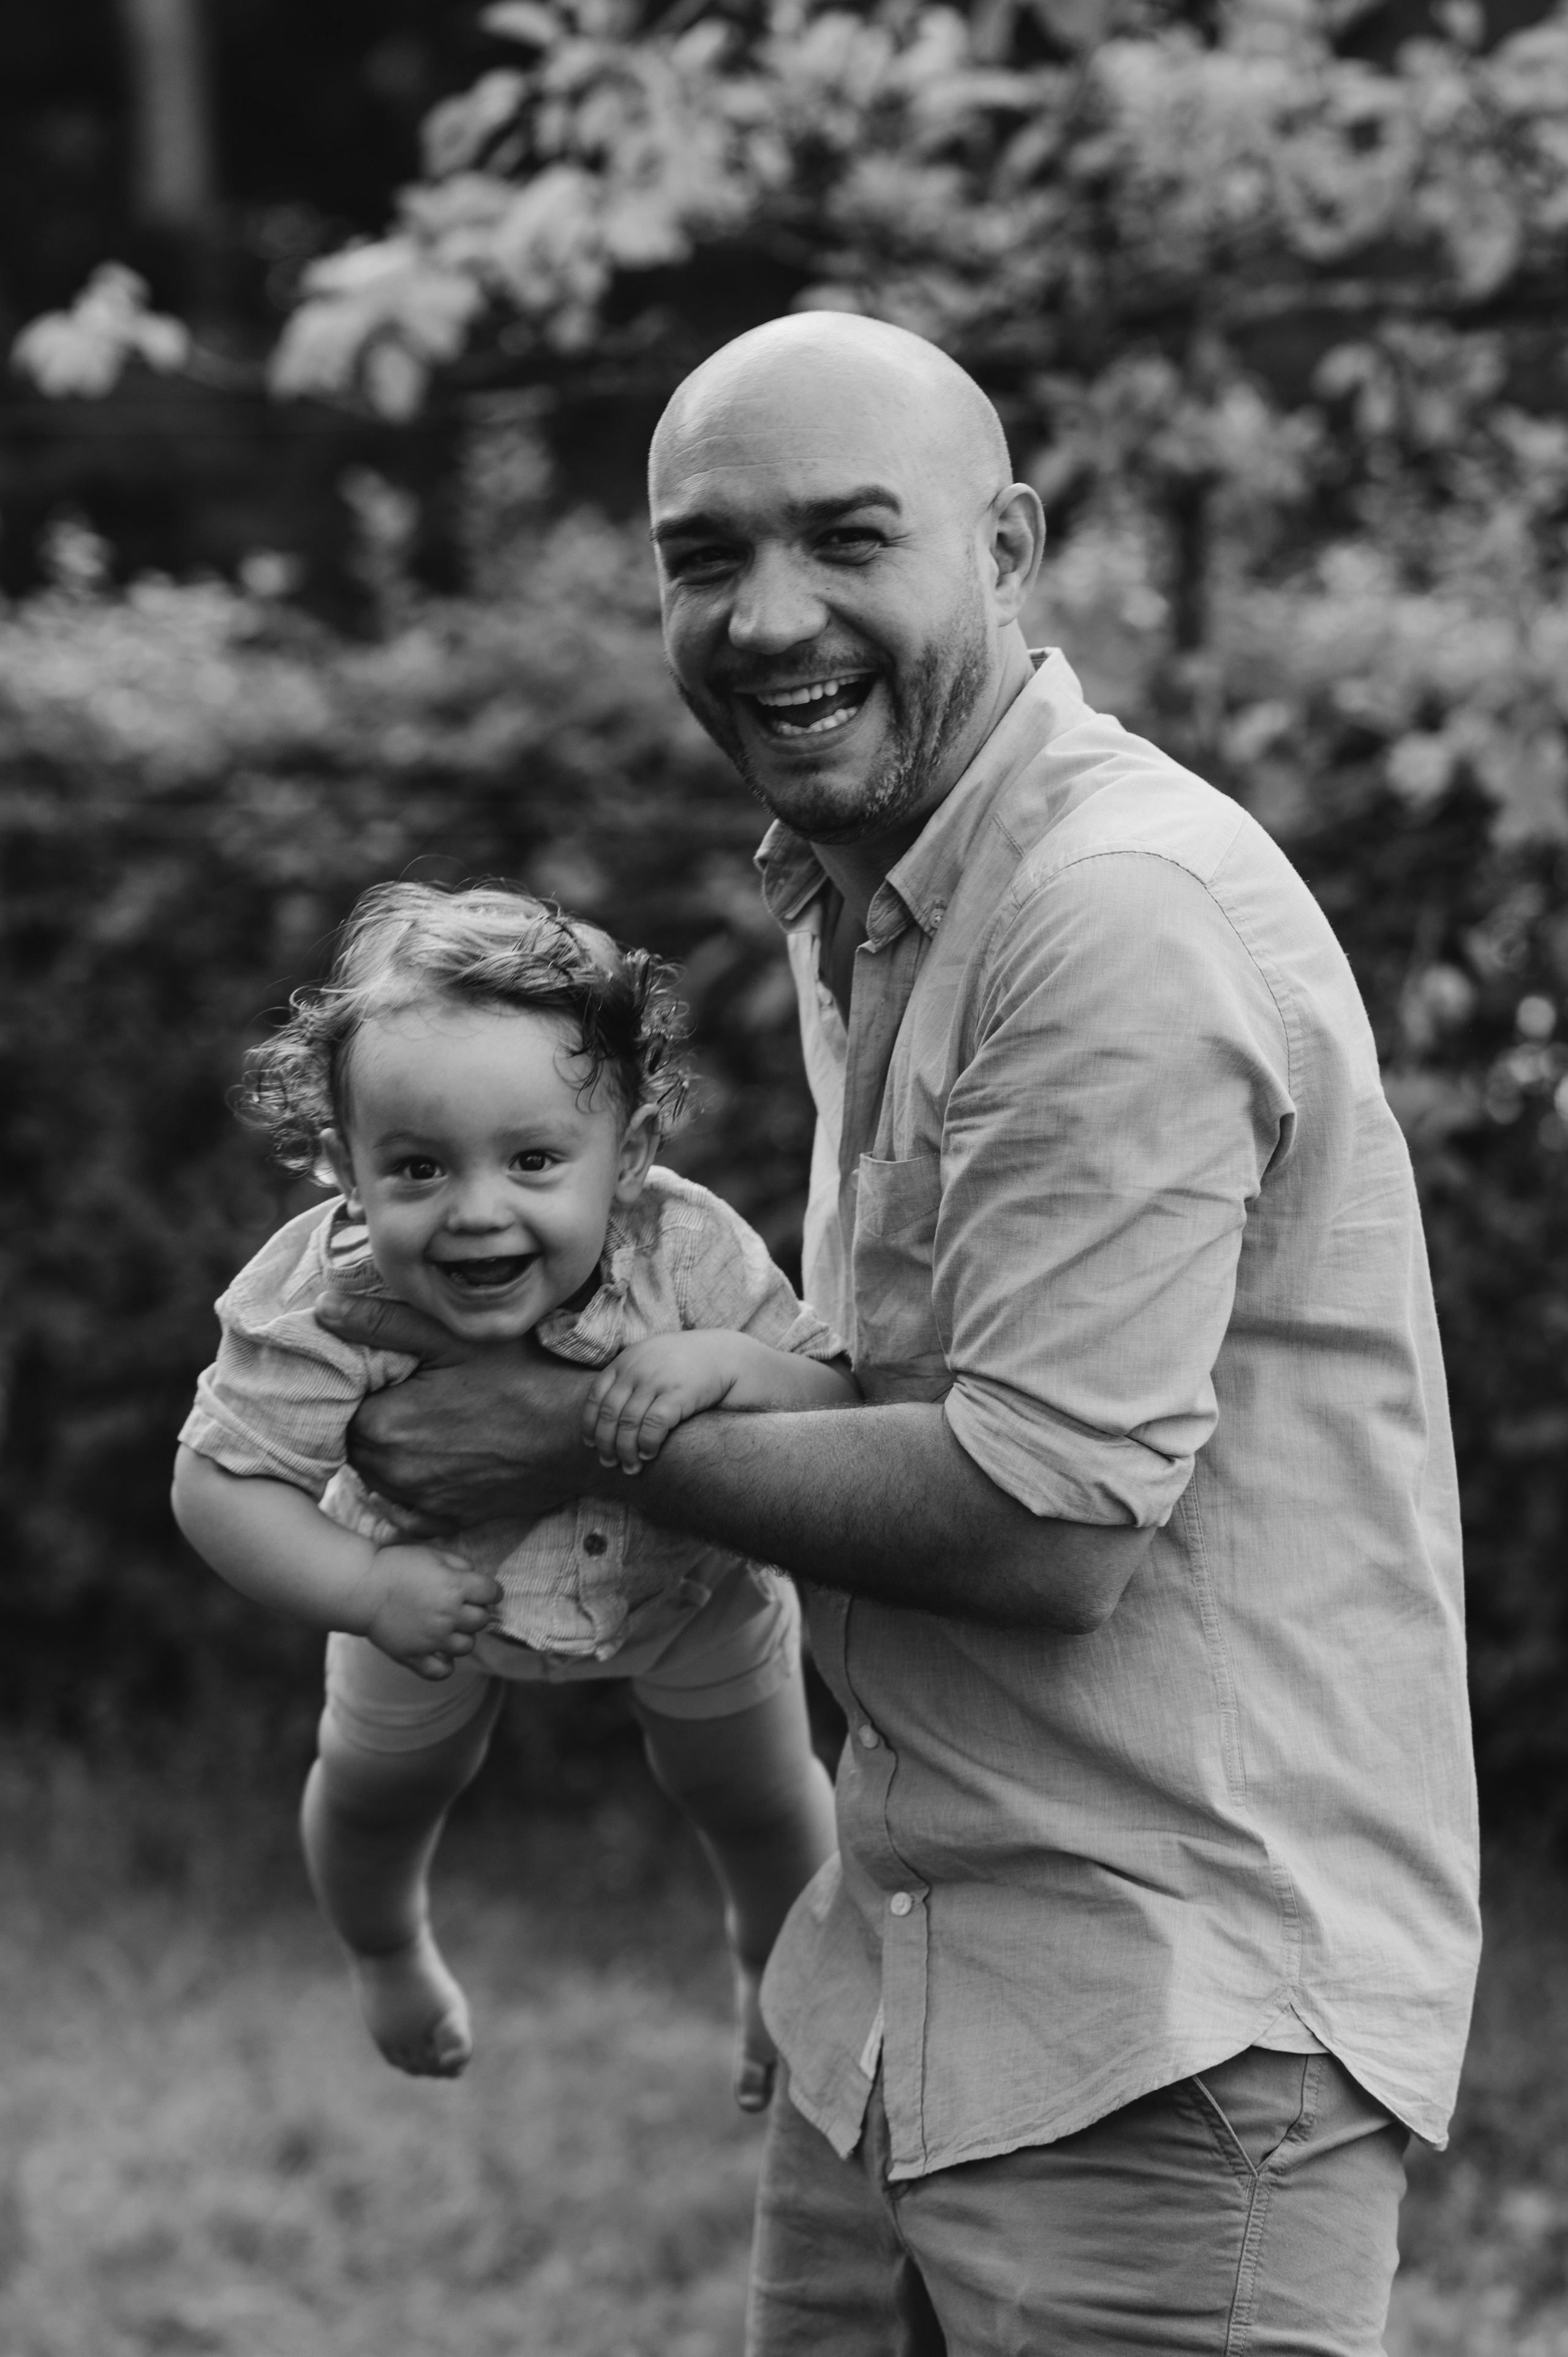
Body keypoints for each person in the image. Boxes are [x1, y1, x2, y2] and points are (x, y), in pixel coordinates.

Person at [314, 318, 1480, 2353]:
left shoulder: (1106, 913)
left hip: (1165, 2043)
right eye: (707, 556)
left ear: (1008, 545)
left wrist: (568, 1433)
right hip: (904, 1999)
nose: (771, 618)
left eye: (851, 536)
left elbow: (1050, 1514)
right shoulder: (881, 894)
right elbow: (903, 1380)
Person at [172, 880, 848, 2102]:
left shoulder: (684, 1251)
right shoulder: (321, 1295)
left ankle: (774, 1980)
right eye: (419, 1167)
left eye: (535, 1159)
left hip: (686, 1591)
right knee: (378, 1792)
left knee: (756, 1800)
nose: (478, 1210)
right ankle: (386, 1953)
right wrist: (365, 1587)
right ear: (342, 1164)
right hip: (429, 1597)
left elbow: (830, 1405)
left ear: (629, 1152)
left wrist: (729, 1366)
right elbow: (220, 1486)